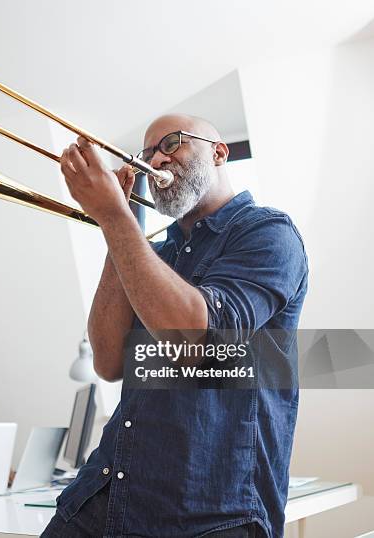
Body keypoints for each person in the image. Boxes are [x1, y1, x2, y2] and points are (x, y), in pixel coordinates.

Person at [42, 114, 308, 537]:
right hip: (107, 490)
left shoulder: (268, 233)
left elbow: (196, 339)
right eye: (146, 154)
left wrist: (114, 218)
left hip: (212, 513)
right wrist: (119, 228)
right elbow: (109, 361)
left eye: (171, 144)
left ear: (219, 152)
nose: (155, 162)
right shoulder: (155, 254)